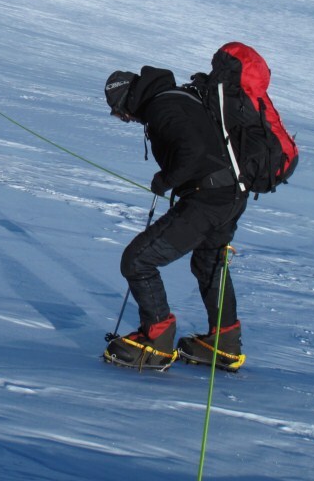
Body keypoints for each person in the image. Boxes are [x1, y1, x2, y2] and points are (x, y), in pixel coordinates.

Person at [102, 66, 248, 370]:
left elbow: (192, 152)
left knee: (138, 260)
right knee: (208, 263)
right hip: (232, 194)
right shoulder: (178, 98)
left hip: (208, 198)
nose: (124, 118)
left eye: (119, 111)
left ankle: (156, 343)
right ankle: (225, 343)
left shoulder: (162, 107)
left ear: (128, 98)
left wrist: (166, 179)